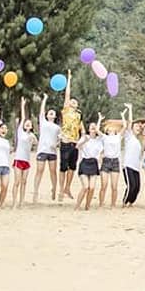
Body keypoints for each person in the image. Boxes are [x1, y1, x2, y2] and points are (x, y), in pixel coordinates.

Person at [58, 71, 83, 201]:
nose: (73, 102)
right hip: (66, 141)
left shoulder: (79, 115)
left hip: (75, 142)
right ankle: (61, 190)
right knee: (63, 167)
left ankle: (67, 188)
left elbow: (81, 129)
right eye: (71, 101)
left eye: (75, 102)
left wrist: (82, 140)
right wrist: (69, 79)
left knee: (72, 167)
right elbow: (67, 95)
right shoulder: (66, 111)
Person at [32, 93, 60, 203]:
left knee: (53, 171)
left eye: (53, 113)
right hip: (42, 150)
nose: (51, 113)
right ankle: (35, 191)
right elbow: (41, 111)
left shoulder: (57, 127)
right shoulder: (43, 122)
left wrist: (56, 144)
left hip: (52, 152)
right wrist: (45, 99)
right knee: (39, 170)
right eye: (49, 112)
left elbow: (60, 139)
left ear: (55, 116)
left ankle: (54, 189)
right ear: (47, 115)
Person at [75, 115, 104, 211]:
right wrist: (84, 141)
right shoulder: (85, 137)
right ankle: (77, 206)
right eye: (91, 126)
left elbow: (102, 151)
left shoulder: (99, 140)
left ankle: (87, 206)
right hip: (84, 162)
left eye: (95, 127)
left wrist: (99, 119)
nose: (93, 128)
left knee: (92, 187)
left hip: (94, 163)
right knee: (85, 187)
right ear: (88, 129)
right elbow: (77, 146)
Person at [11, 98, 35, 209]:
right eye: (26, 124)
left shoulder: (31, 136)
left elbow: (36, 143)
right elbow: (23, 117)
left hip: (27, 160)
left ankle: (21, 202)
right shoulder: (20, 132)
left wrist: (33, 139)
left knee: (24, 182)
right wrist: (22, 105)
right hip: (19, 159)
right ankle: (14, 202)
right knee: (17, 181)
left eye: (30, 124)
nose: (28, 125)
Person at [121, 104, 145, 208]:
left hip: (136, 166)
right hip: (128, 165)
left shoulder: (138, 141)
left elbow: (142, 151)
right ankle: (124, 202)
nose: (138, 128)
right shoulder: (128, 136)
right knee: (131, 185)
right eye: (136, 126)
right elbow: (130, 121)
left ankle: (131, 203)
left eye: (139, 127)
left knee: (137, 187)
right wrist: (130, 109)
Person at [99, 116, 122, 208]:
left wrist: (123, 116)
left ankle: (113, 204)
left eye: (113, 129)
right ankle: (101, 203)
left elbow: (125, 126)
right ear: (107, 131)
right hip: (106, 161)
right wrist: (100, 119)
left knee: (114, 186)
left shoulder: (118, 136)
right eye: (109, 129)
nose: (111, 130)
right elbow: (97, 130)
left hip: (115, 161)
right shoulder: (105, 137)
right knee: (104, 185)